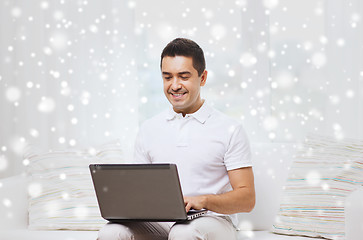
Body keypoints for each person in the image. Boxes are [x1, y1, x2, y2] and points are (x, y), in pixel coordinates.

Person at [98, 38, 255, 240]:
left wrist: (204, 200)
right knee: (112, 232)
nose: (175, 85)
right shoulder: (148, 129)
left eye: (183, 76)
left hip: (213, 220)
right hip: (161, 222)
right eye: (167, 77)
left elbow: (247, 198)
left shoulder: (230, 129)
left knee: (183, 233)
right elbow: (140, 192)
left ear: (203, 77)